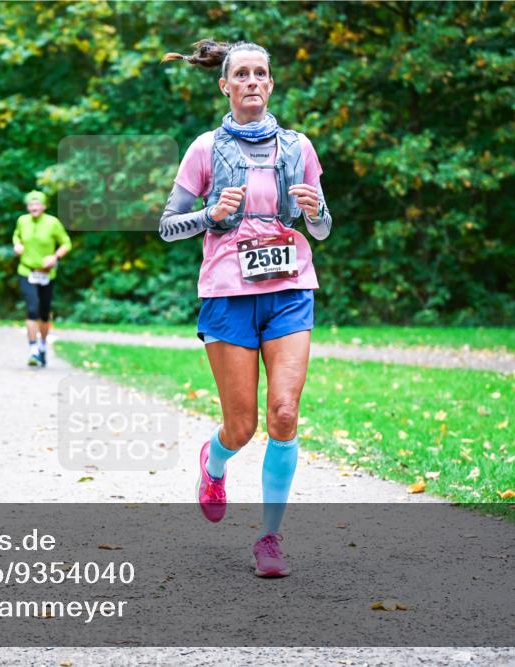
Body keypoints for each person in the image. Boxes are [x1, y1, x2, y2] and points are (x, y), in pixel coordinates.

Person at [160, 40, 333, 577]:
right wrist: (210, 215)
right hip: (228, 296)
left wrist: (317, 211)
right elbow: (168, 227)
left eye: (262, 73)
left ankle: (270, 538)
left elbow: (322, 229)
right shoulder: (205, 149)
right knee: (242, 427)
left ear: (271, 84)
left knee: (284, 413)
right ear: (226, 85)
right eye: (243, 74)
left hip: (289, 291)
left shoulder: (298, 147)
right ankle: (214, 463)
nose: (253, 81)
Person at [12, 191, 71, 367]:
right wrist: (17, 245)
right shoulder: (22, 221)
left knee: (44, 313)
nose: (34, 207)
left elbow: (66, 243)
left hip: (46, 274)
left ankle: (43, 346)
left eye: (37, 204)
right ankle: (33, 351)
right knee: (32, 308)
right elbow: (17, 235)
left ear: (44, 206)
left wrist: (55, 257)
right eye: (31, 204)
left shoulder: (53, 223)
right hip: (26, 271)